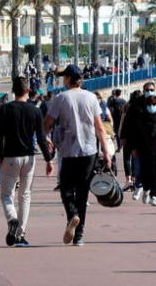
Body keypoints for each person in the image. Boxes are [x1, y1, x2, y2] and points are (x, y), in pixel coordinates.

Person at [43, 64, 112, 246]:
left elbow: (47, 123)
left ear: (68, 79)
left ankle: (72, 215)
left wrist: (45, 137)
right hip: (89, 151)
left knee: (66, 188)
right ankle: (79, 236)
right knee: (83, 193)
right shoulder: (91, 97)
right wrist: (106, 151)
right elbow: (99, 126)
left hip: (68, 151)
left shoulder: (60, 98)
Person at [0, 77, 53, 247]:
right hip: (29, 157)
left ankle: (12, 218)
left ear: (13, 90)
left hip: (10, 156)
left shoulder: (5, 109)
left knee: (7, 194)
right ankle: (20, 234)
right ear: (27, 90)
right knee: (25, 195)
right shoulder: (34, 111)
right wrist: (48, 159)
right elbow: (41, 138)